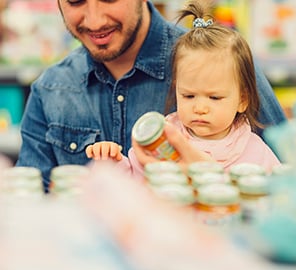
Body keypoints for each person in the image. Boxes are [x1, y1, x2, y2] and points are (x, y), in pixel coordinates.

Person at [16, 0, 285, 192]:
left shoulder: (219, 62)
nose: (95, 19)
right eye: (75, 1)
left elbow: (292, 188)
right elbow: (30, 205)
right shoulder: (50, 89)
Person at [86, 0, 281, 179]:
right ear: (176, 89)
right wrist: (114, 163)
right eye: (188, 95)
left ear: (242, 100)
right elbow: (136, 180)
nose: (200, 108)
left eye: (214, 97)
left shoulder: (254, 151)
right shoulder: (164, 139)